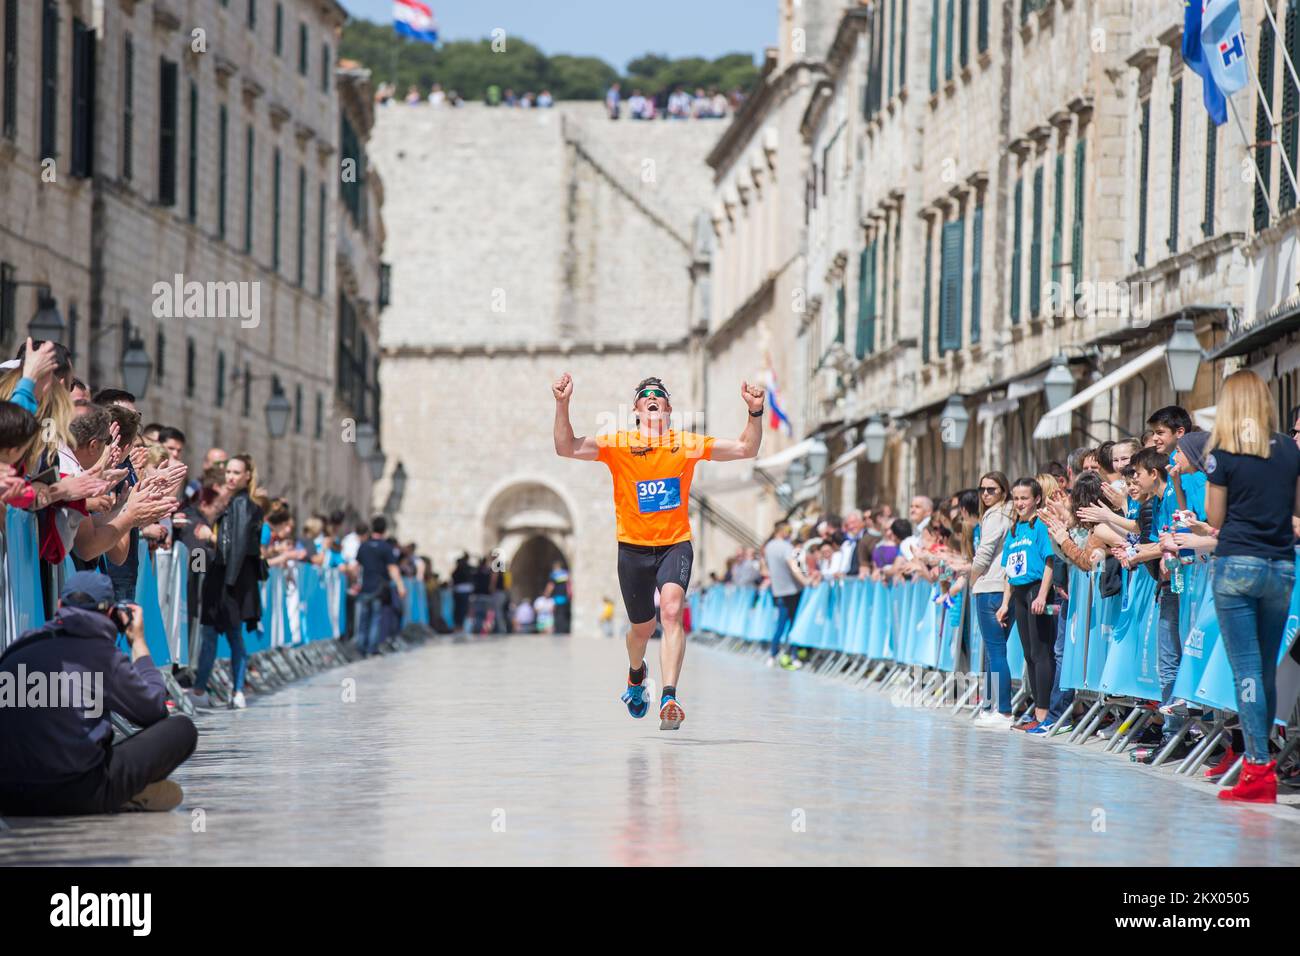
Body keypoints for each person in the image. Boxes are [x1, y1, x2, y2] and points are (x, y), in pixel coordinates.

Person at [552, 371, 763, 730]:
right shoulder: (618, 444)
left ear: (668, 409)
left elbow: (746, 448)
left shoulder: (686, 444)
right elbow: (566, 447)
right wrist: (562, 403)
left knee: (671, 612)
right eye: (646, 395)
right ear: (636, 409)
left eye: (659, 395)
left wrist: (755, 412)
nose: (652, 398)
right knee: (641, 629)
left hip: (674, 544)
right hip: (633, 549)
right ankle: (636, 676)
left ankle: (669, 696)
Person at [0, 571, 198, 814]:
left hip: (10, 797)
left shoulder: (20, 646)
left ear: (60, 606)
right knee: (183, 729)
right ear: (111, 613)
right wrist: (138, 642)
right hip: (77, 792)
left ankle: (121, 793)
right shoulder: (102, 654)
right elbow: (154, 710)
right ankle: (121, 794)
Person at [1205, 370, 1300, 803]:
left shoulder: (1223, 451)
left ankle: (1257, 768)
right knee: (1264, 668)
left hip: (1237, 562)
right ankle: (1263, 768)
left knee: (1245, 669)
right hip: (1280, 564)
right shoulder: (1289, 450)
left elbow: (1215, 517)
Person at [188, 454, 264, 709]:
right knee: (214, 635)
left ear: (247, 476)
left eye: (236, 472)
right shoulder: (233, 503)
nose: (230, 477)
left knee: (230, 636)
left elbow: (236, 546)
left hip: (229, 581)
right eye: (228, 472)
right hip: (223, 578)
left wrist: (210, 537)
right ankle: (208, 689)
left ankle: (234, 689)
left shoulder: (243, 505)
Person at [996, 478, 1055, 732]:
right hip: (1019, 593)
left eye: (1025, 498)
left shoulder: (1040, 526)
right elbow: (1009, 572)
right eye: (1016, 498)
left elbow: (1050, 562)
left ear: (1037, 499)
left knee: (1041, 653)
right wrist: (1004, 604)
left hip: (1036, 590)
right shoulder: (1014, 530)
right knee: (1029, 654)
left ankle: (1044, 714)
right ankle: (1037, 711)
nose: (1020, 503)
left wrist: (1042, 595)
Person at [970, 471, 1015, 723]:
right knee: (993, 651)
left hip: (991, 586)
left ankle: (1004, 710)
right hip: (1003, 587)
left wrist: (972, 578)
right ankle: (988, 706)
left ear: (1003, 491)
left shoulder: (996, 516)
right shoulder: (1009, 515)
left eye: (991, 490)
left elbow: (984, 554)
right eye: (982, 489)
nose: (985, 494)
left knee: (996, 652)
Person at [354, 515, 406, 657]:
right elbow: (392, 568)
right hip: (378, 588)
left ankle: (361, 647)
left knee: (363, 618)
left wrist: (355, 583)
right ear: (384, 529)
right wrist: (400, 586)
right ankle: (372, 648)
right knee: (375, 618)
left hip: (365, 587)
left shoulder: (364, 546)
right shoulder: (386, 547)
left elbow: (357, 567)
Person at [764, 522, 805, 669]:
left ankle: (772, 655)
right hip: (792, 589)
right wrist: (805, 581)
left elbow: (766, 568)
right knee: (794, 625)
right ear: (782, 531)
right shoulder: (786, 546)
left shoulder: (768, 547)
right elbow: (793, 566)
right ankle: (793, 655)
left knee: (780, 624)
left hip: (778, 590)